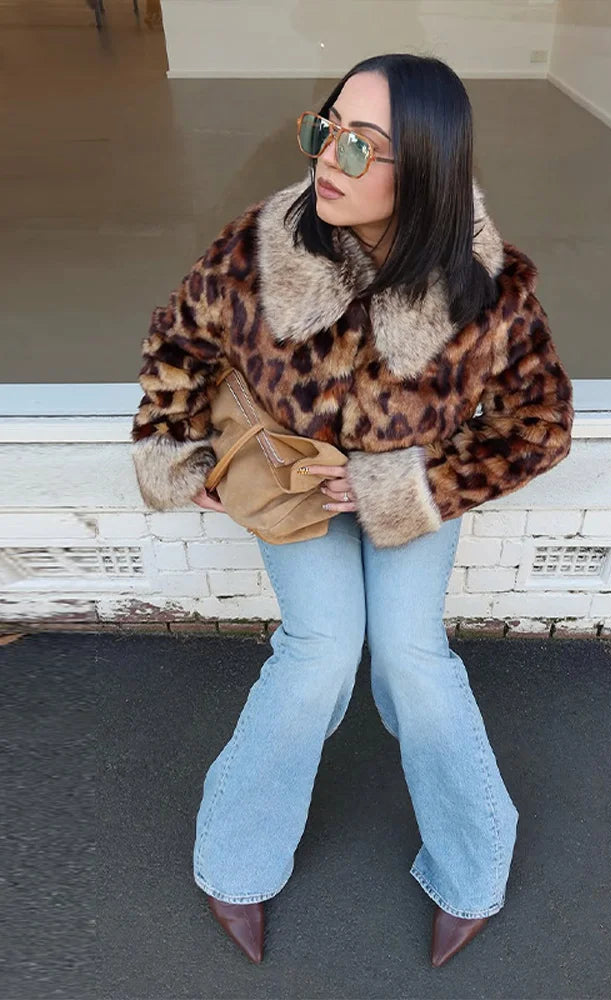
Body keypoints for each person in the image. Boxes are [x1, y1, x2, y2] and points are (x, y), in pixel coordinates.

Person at [130, 52, 574, 968]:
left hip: (409, 494)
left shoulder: (485, 294)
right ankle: (237, 862)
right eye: (326, 128)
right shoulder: (260, 245)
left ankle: (472, 868)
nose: (330, 157)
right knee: (321, 652)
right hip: (291, 484)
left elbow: (540, 425)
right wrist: (174, 444)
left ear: (428, 172)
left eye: (364, 146)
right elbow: (179, 335)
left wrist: (418, 487)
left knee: (411, 661)